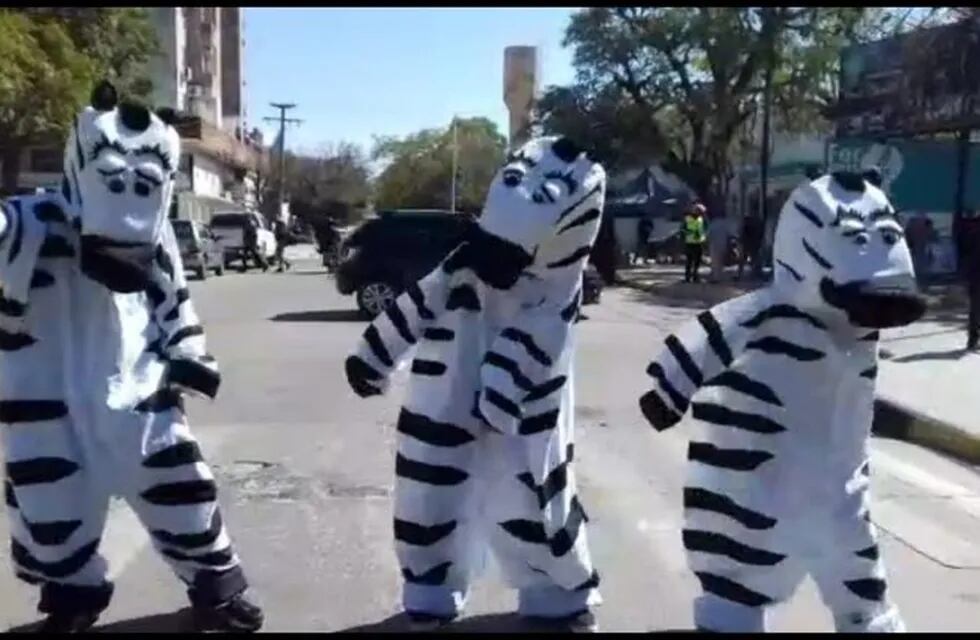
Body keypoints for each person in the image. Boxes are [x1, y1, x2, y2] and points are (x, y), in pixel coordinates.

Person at [0, 81, 263, 632]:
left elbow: (173, 300)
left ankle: (216, 588)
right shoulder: (27, 225)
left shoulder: (156, 237)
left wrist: (191, 352)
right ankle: (73, 598)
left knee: (184, 495)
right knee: (53, 514)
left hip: (139, 392)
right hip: (44, 405)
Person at [638, 170, 924, 632]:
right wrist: (668, 392)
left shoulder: (860, 330)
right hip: (757, 483)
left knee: (857, 576)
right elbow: (708, 337)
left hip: (838, 489)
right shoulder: (766, 313)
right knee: (737, 575)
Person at [344, 136, 604, 632]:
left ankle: (556, 594)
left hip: (524, 415)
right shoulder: (466, 261)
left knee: (530, 496)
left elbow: (540, 338)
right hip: (442, 398)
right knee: (428, 494)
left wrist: (501, 388)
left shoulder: (557, 288)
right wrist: (375, 354)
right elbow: (422, 301)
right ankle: (430, 589)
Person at [953, 207, 980, 351]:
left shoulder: (965, 227)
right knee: (976, 308)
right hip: (975, 271)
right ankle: (973, 339)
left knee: (975, 307)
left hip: (973, 271)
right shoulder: (970, 227)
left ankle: (973, 339)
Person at [737, 208, 764, 281]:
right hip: (753, 243)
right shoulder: (758, 222)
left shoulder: (748, 222)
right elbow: (760, 234)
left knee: (744, 260)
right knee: (754, 259)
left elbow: (743, 234)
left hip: (748, 243)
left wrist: (741, 240)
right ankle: (756, 273)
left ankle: (740, 275)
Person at [683, 202, 707, 282]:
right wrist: (689, 232)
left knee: (697, 261)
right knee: (689, 261)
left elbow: (705, 229)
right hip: (690, 242)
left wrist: (704, 237)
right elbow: (682, 229)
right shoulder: (688, 219)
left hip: (699, 242)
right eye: (700, 211)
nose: (701, 213)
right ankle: (688, 277)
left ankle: (695, 276)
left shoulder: (702, 219)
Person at [706, 213, 730, 283]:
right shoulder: (725, 224)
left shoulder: (712, 224)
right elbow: (729, 234)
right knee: (721, 261)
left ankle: (716, 277)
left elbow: (708, 234)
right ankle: (720, 276)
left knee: (715, 262)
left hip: (714, 244)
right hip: (723, 244)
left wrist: (707, 243)